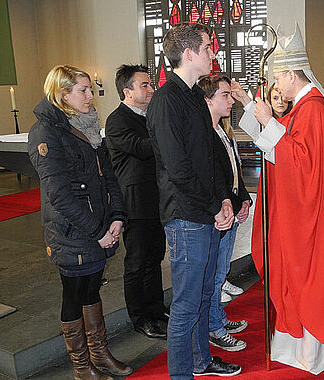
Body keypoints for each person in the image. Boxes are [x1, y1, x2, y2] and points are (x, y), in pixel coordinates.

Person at [236, 24, 324, 375]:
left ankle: (311, 348)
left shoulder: (313, 108)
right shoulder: (304, 107)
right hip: (303, 210)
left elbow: (302, 165)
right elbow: (282, 149)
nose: (276, 84)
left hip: (308, 216)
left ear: (290, 74)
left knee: (305, 277)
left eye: (277, 77)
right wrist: (256, 114)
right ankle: (296, 343)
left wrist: (270, 123)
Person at [145, 22, 240, 379]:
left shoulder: (193, 97)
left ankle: (201, 362)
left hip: (205, 210)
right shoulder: (168, 101)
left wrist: (224, 200)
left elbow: (210, 159)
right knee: (185, 305)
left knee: (201, 296)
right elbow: (179, 169)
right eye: (206, 47)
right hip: (186, 215)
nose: (212, 52)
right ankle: (181, 373)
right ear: (188, 54)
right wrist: (214, 205)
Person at [28, 64, 132, 379]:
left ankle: (99, 354)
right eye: (83, 90)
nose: (91, 95)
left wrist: (116, 216)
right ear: (63, 94)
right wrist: (98, 231)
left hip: (98, 227)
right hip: (74, 231)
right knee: (73, 294)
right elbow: (59, 195)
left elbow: (109, 176)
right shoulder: (46, 131)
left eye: (90, 89)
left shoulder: (86, 124)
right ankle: (81, 364)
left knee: (91, 291)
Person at [105, 64, 169, 339]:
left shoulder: (148, 116)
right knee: (137, 262)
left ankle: (156, 309)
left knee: (154, 259)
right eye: (144, 85)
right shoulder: (117, 120)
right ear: (127, 91)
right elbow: (141, 149)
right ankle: (140, 317)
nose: (151, 89)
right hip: (135, 202)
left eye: (150, 84)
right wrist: (167, 131)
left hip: (157, 199)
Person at [197, 75, 252, 352]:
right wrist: (225, 204)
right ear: (207, 100)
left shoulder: (222, 131)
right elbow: (211, 179)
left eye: (231, 96)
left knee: (220, 272)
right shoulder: (203, 133)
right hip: (216, 213)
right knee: (213, 276)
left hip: (230, 207)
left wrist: (243, 199)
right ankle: (213, 328)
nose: (231, 101)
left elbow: (234, 171)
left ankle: (217, 318)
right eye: (225, 96)